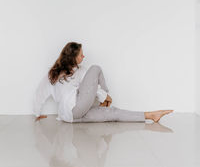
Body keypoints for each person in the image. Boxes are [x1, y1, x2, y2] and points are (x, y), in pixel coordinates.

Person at [33, 42, 173, 123]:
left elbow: (40, 92)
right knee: (96, 68)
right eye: (81, 54)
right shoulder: (76, 72)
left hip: (69, 117)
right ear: (73, 57)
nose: (83, 56)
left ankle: (151, 115)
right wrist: (105, 96)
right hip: (75, 108)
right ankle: (107, 97)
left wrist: (37, 113)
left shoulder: (53, 73)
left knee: (112, 113)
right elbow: (92, 89)